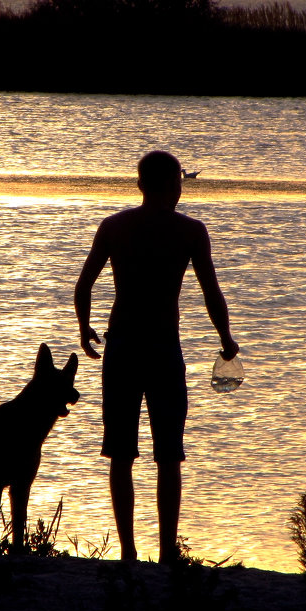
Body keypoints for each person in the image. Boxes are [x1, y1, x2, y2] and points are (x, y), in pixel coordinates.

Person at [75, 150, 239, 564]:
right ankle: (167, 552)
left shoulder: (113, 227)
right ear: (173, 186)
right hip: (164, 348)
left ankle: (129, 552)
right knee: (169, 454)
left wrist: (84, 328)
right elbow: (210, 292)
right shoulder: (190, 231)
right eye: (180, 183)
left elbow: (84, 284)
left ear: (139, 184)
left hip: (123, 347)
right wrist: (226, 339)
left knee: (121, 454)